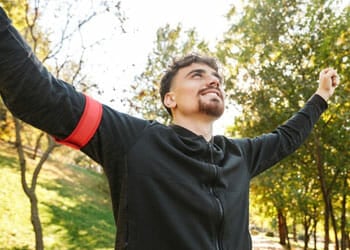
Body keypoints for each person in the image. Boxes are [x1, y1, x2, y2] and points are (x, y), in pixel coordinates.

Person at [0, 6, 340, 250]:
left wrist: (321, 96)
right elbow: (39, 94)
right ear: (169, 99)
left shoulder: (240, 156)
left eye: (217, 78)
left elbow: (288, 137)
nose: (213, 81)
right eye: (197, 75)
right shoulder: (133, 141)